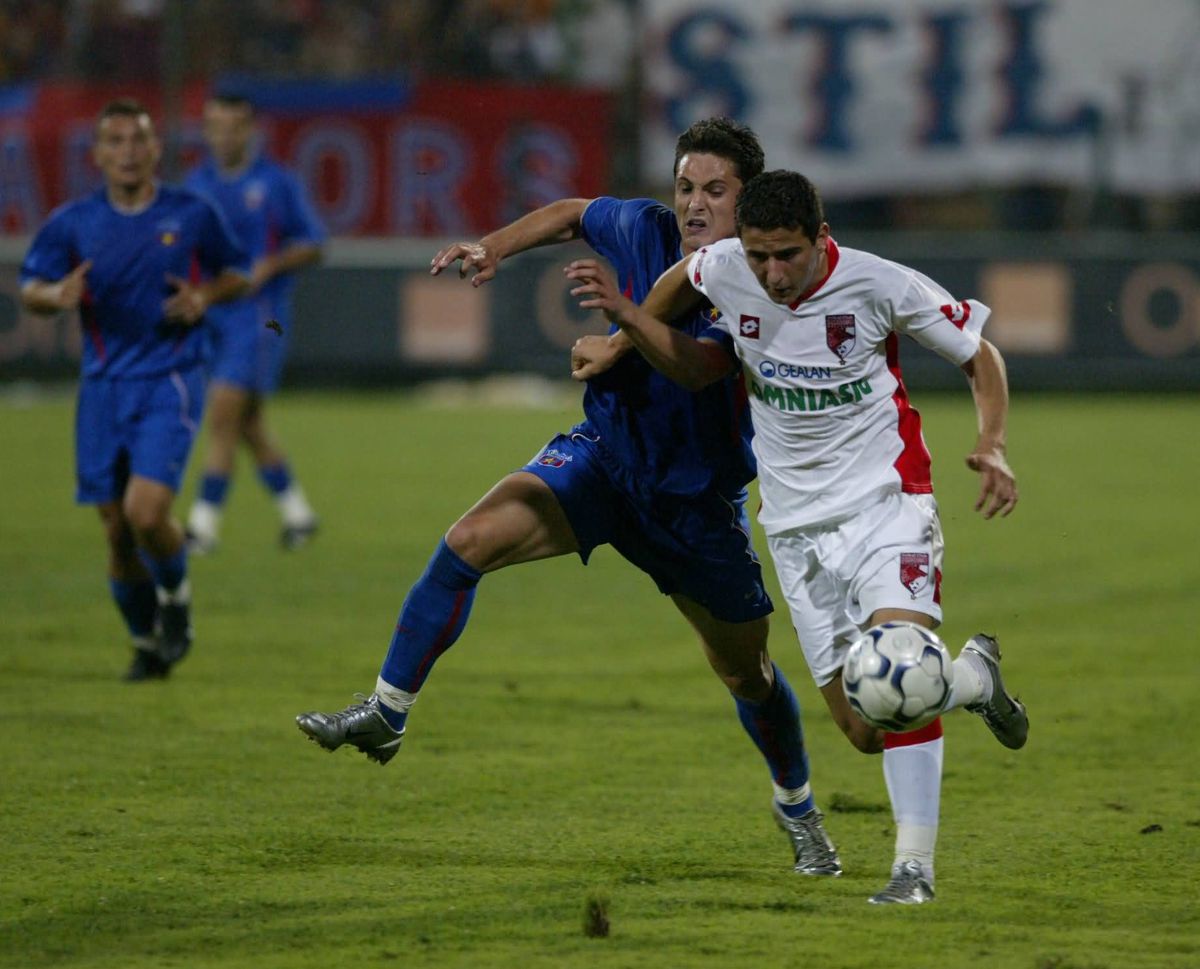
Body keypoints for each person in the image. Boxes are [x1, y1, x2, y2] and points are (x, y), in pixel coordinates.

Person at [296, 119, 841, 876]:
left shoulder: (763, 282)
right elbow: (573, 212)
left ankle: (799, 809)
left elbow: (698, 367)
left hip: (694, 504)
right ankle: (387, 712)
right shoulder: (647, 229)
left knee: (746, 671)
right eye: (686, 187)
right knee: (468, 540)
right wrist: (493, 245)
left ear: (748, 200)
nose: (693, 204)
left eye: (714, 191)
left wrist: (622, 326)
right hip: (604, 462)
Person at [565, 168, 1029, 904]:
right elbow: (686, 275)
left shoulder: (880, 283)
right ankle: (972, 677)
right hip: (794, 530)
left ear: (821, 238)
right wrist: (623, 337)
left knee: (899, 663)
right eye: (759, 257)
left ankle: (913, 870)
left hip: (887, 505)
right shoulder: (728, 266)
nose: (773, 273)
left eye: (788, 254)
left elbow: (981, 354)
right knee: (866, 724)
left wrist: (994, 443)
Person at [20, 98, 250, 681]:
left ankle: (176, 601)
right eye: (114, 141)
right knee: (118, 535)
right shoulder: (74, 222)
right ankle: (146, 643)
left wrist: (204, 297)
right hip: (101, 390)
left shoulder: (189, 213)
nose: (127, 151)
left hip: (167, 378)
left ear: (155, 151)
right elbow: (31, 288)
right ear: (97, 154)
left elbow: (237, 272)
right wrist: (55, 296)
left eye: (137, 140)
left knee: (146, 513)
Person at [183, 93, 327, 555]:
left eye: (234, 126)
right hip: (211, 316)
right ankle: (298, 515)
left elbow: (314, 243)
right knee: (246, 423)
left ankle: (202, 527)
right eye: (215, 126)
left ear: (249, 130)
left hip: (258, 317)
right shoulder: (194, 185)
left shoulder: (275, 183)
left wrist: (271, 264)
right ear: (206, 131)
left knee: (222, 413)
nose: (224, 135)